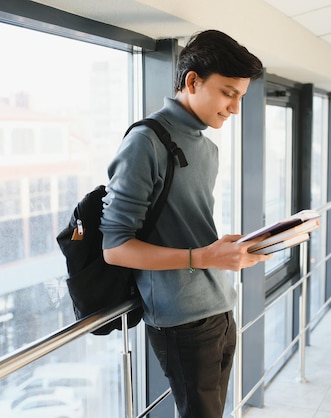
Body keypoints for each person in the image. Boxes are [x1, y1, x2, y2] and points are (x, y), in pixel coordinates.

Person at [100, 29, 269, 417]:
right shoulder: (147, 142)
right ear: (192, 81)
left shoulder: (206, 147)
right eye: (228, 93)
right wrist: (204, 257)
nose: (235, 108)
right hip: (181, 319)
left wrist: (228, 250)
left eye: (240, 97)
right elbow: (115, 248)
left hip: (220, 308)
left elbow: (188, 228)